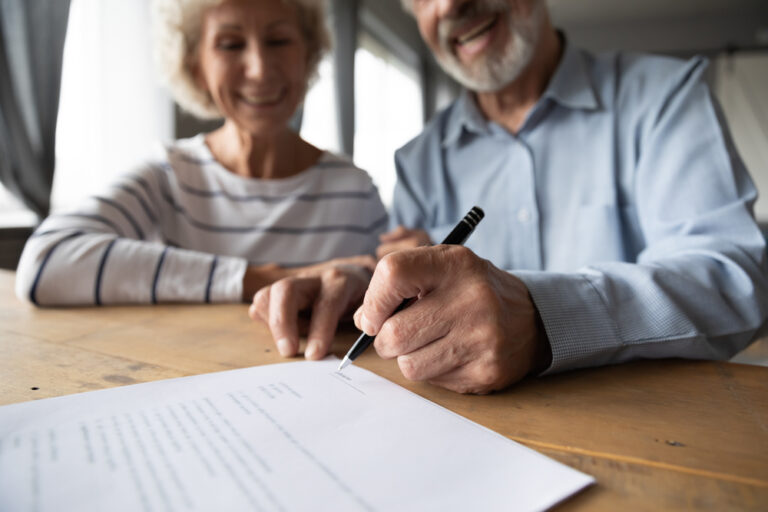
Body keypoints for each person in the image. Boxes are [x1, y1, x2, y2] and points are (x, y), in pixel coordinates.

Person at [250, 0, 768, 393]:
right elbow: (411, 286)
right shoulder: (419, 159)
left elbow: (735, 282)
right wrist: (364, 290)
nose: (451, 4)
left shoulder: (666, 99)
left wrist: (545, 317)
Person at [15, 0, 386, 362]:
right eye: (230, 44)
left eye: (278, 41)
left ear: (308, 55)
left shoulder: (356, 189)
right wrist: (262, 278)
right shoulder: (168, 174)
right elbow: (44, 262)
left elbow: (385, 295)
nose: (259, 69)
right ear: (196, 68)